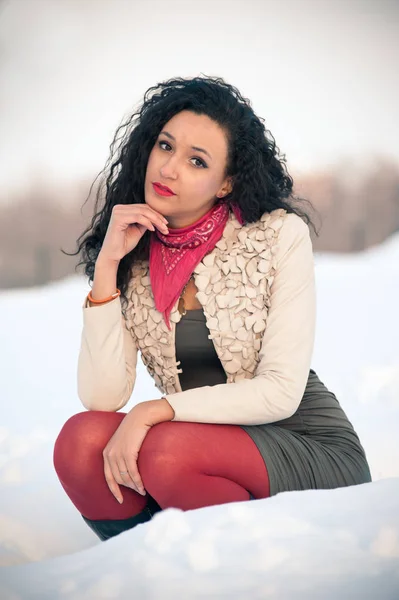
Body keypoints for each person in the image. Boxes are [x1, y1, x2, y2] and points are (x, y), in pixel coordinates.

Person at [53, 76, 372, 542]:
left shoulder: (276, 236)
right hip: (189, 454)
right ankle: (157, 572)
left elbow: (281, 392)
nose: (169, 168)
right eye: (166, 146)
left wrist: (155, 411)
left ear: (226, 183)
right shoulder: (133, 254)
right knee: (80, 443)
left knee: (164, 450)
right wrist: (108, 269)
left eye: (196, 160)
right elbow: (102, 399)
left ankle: (248, 570)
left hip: (304, 444)